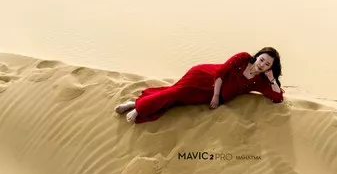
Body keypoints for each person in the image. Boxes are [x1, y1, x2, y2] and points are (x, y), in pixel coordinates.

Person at [114, 47, 284, 124]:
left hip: (210, 95)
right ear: (258, 55)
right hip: (205, 77)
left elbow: (277, 98)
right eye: (262, 59)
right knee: (176, 92)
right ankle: (138, 108)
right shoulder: (243, 58)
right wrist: (216, 96)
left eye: (267, 65)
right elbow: (221, 73)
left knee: (177, 99)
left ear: (270, 68)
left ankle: (134, 103)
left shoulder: (260, 81)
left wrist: (271, 79)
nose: (262, 64)